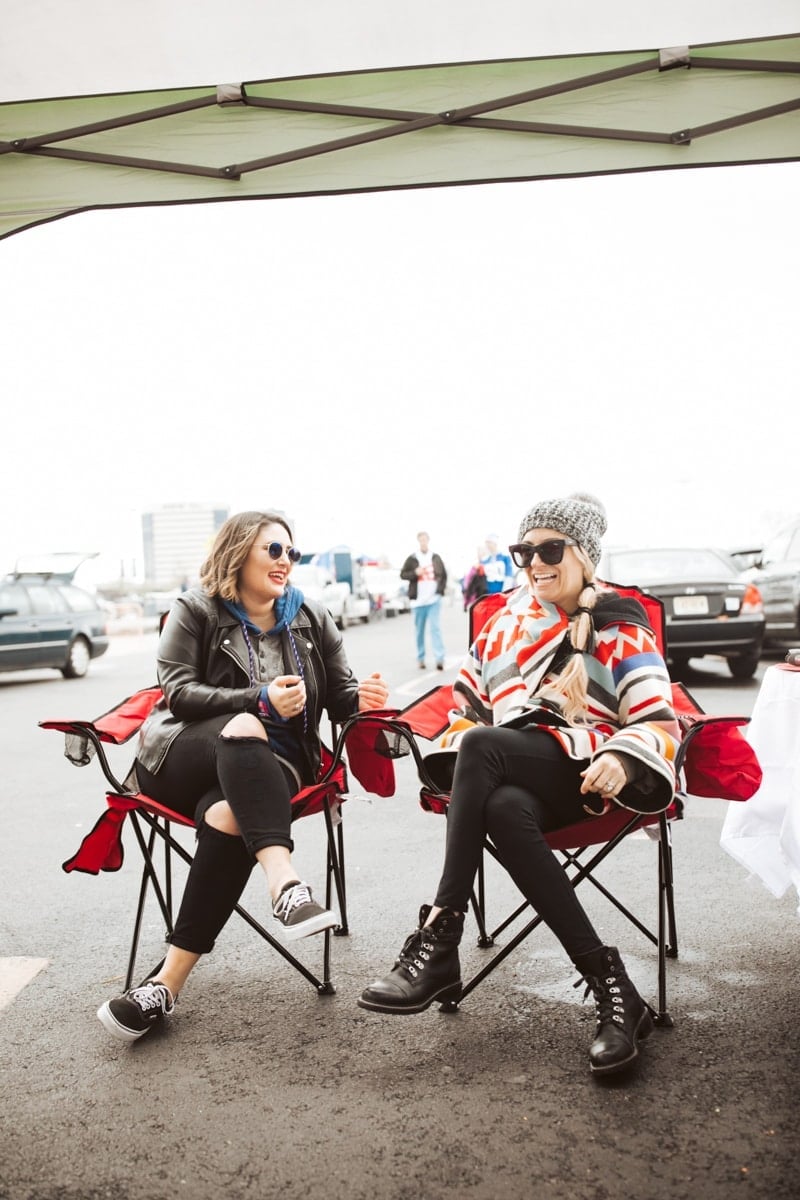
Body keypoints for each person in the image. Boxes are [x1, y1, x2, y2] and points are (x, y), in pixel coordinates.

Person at [359, 493, 680, 1077]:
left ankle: (440, 935)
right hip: (513, 784)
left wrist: (627, 759)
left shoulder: (619, 625)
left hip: (590, 782)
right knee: (502, 804)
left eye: (549, 549)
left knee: (483, 747)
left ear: (583, 555)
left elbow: (659, 719)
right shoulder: (501, 627)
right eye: (524, 551)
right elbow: (465, 711)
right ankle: (613, 988)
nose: (534, 563)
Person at [97, 510, 389, 1043]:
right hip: (182, 756)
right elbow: (178, 693)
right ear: (238, 552)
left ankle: (163, 985)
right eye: (273, 550)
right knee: (243, 723)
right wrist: (257, 699)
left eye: (292, 553)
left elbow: (341, 696)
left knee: (232, 816)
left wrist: (360, 700)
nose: (285, 562)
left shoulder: (313, 618)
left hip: (270, 771)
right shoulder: (195, 610)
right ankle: (284, 880)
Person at [400, 531, 447, 671]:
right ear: (418, 541)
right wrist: (415, 573)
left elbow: (444, 575)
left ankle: (439, 659)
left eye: (425, 540)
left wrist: (440, 591)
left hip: (433, 599)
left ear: (428, 540)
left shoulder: (435, 557)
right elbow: (402, 574)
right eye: (421, 540)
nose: (423, 542)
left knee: (435, 629)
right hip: (418, 601)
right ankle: (420, 658)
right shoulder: (412, 558)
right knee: (419, 631)